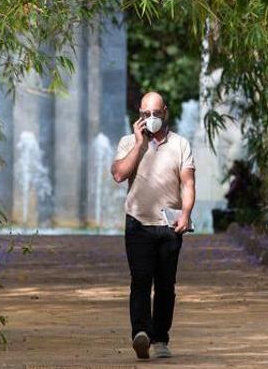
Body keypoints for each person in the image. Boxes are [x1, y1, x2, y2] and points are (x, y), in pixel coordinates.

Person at [110, 91, 195, 360]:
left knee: (166, 285)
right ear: (139, 114)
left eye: (156, 114)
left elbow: (188, 183)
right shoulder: (128, 142)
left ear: (165, 112)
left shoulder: (180, 144)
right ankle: (141, 335)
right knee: (140, 281)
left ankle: (161, 339)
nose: (152, 119)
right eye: (146, 114)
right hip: (138, 223)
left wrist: (186, 213)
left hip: (170, 227)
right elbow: (119, 174)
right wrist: (139, 144)